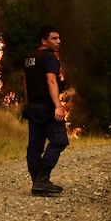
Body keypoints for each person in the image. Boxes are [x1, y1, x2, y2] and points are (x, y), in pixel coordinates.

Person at [22, 26, 69, 196]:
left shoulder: (29, 58)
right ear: (44, 41)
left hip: (33, 107)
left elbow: (25, 83)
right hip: (47, 108)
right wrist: (58, 106)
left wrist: (28, 103)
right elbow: (51, 81)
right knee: (59, 141)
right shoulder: (49, 58)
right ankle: (42, 179)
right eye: (54, 39)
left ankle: (37, 182)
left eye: (59, 38)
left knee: (35, 146)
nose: (59, 42)